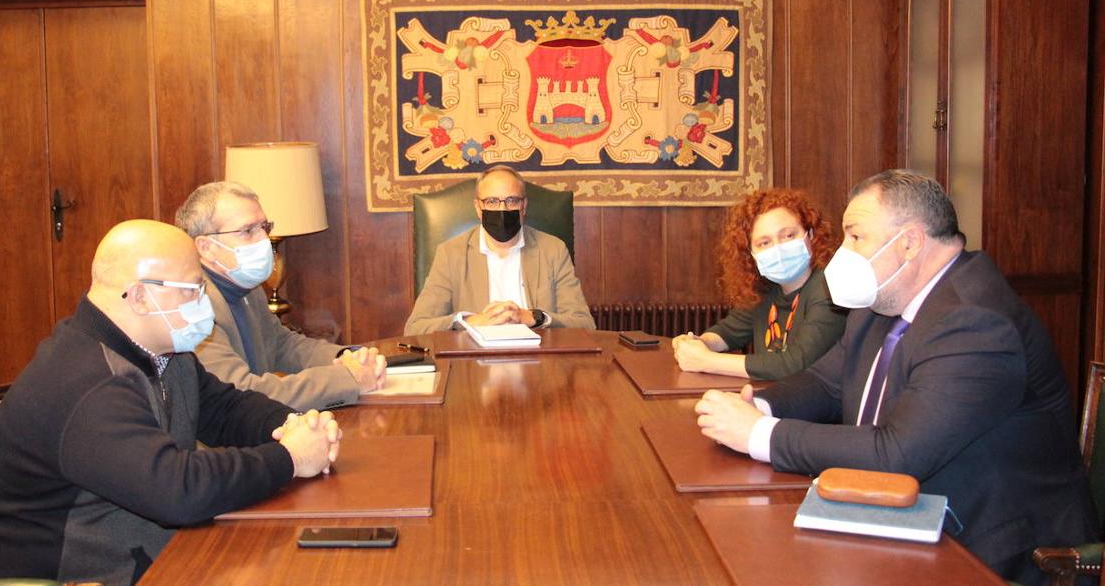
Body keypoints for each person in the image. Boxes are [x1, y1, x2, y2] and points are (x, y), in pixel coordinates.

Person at [693, 171, 1097, 585]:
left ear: (908, 243)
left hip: (991, 548)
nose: (841, 254)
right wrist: (759, 405)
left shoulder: (975, 320)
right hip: (900, 517)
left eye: (856, 237)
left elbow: (896, 454)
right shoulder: (882, 300)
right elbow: (826, 381)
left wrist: (761, 435)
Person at [0, 220, 341, 585]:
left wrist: (296, 423)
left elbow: (226, 409)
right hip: (69, 573)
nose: (204, 306)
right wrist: (290, 458)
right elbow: (178, 491)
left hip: (142, 550)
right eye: (193, 291)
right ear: (141, 296)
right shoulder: (85, 382)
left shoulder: (162, 351)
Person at [176, 181, 386, 411]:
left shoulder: (246, 287)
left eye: (264, 227)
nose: (264, 240)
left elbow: (281, 344)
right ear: (205, 246)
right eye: (247, 231)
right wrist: (347, 379)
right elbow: (243, 394)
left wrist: (347, 357)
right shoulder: (190, 305)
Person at [671, 188, 846, 380]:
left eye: (788, 235)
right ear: (751, 254)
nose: (778, 248)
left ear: (810, 234)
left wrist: (707, 361)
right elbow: (728, 332)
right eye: (764, 243)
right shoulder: (766, 289)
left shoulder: (830, 288)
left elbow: (795, 364)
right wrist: (698, 343)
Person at [405, 165, 595, 335]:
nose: (502, 209)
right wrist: (470, 321)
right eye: (492, 201)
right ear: (478, 208)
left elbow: (585, 324)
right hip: (475, 363)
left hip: (540, 358)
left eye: (512, 200)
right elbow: (416, 327)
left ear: (524, 206)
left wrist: (533, 318)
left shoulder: (553, 250)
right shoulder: (451, 254)